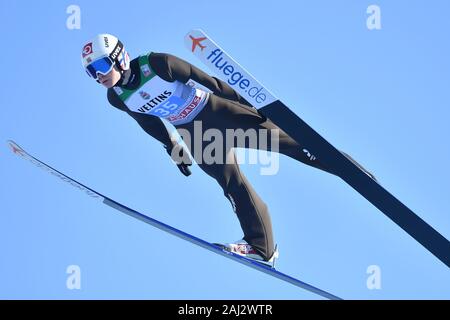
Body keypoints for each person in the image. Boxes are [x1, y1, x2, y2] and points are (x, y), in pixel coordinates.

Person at [81, 33, 375, 267]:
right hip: (195, 134)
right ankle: (262, 248)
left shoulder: (159, 64)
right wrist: (172, 148)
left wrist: (251, 105)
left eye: (101, 67)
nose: (99, 76)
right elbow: (148, 122)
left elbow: (209, 82)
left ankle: (353, 172)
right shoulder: (117, 98)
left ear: (121, 58)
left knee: (289, 145)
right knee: (232, 185)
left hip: (218, 112)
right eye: (91, 73)